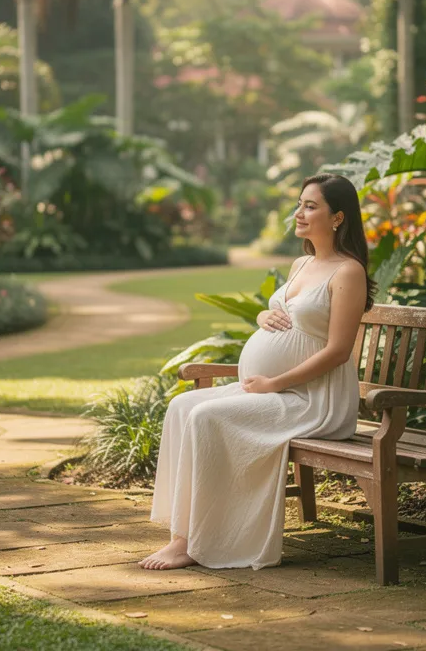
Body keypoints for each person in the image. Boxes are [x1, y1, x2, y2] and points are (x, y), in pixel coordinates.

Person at [140, 172, 375, 571]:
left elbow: (338, 351)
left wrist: (274, 383)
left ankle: (192, 543)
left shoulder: (347, 272)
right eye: (300, 203)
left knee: (205, 416)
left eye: (310, 205)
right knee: (182, 407)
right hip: (274, 391)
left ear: (337, 217)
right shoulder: (302, 263)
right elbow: (289, 314)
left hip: (313, 400)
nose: (298, 212)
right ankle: (182, 531)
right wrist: (266, 313)